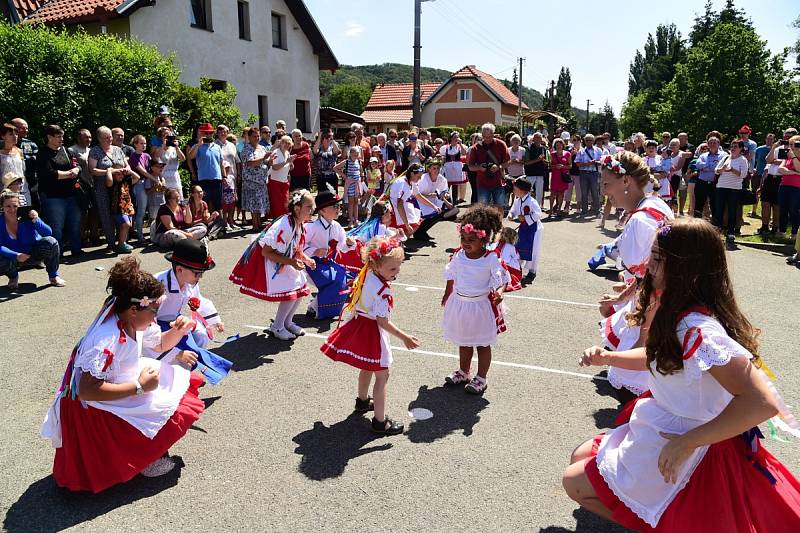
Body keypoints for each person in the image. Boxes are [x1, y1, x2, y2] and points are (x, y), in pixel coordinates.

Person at [564, 217, 800, 532]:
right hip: (666, 422)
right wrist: (610, 357)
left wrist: (686, 443)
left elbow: (762, 402)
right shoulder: (677, 311)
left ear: (687, 268)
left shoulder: (699, 330)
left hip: (694, 442)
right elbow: (660, 357)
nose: (648, 265)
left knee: (575, 483)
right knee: (579, 458)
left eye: (659, 259)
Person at [40, 257, 205, 492]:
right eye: (154, 310)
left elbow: (158, 344)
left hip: (119, 383)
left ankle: (149, 452)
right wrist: (139, 387)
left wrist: (178, 332)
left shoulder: (134, 321)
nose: (156, 317)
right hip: (94, 404)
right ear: (134, 308)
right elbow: (87, 390)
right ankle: (146, 459)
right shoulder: (105, 340)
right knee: (157, 406)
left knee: (169, 392)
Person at [321, 236, 419, 435]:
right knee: (382, 375)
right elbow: (382, 321)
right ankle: (380, 421)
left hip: (360, 324)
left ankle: (363, 401)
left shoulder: (365, 273)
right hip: (373, 331)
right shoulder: (382, 289)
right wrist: (405, 337)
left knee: (367, 367)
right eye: (392, 269)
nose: (396, 272)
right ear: (376, 264)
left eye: (398, 267)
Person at [597, 152, 674, 399]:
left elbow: (654, 277)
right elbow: (646, 273)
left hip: (653, 307)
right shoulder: (654, 204)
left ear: (626, 182)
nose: (604, 191)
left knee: (639, 387)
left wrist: (641, 331)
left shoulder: (641, 220)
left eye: (607, 184)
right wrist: (625, 293)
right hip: (651, 299)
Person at [229, 190, 316, 341]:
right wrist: (292, 262)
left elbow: (295, 249)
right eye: (309, 207)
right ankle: (277, 326)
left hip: (284, 261)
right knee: (291, 289)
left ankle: (287, 322)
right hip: (270, 263)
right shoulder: (284, 225)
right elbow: (266, 252)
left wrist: (306, 259)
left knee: (301, 286)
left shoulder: (298, 223)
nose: (312, 210)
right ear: (297, 208)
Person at [441, 205, 510, 394]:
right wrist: (447, 294)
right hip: (461, 304)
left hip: (480, 307)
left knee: (481, 343)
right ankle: (464, 371)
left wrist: (500, 292)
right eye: (463, 238)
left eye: (471, 239)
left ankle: (481, 378)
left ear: (483, 239)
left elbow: (501, 278)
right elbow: (451, 275)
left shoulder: (490, 259)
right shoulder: (458, 255)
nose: (465, 243)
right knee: (463, 341)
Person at [153, 239, 232, 385]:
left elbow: (198, 300)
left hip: (177, 321)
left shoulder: (190, 282)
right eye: (197, 273)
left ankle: (185, 370)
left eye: (201, 273)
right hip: (155, 326)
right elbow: (145, 328)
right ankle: (169, 375)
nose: (200, 277)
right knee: (179, 352)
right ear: (179, 269)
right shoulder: (157, 285)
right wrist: (176, 353)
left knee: (201, 334)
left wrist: (215, 320)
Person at [303, 186, 355, 319]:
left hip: (327, 264)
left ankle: (315, 307)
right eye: (334, 207)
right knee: (332, 281)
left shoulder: (337, 227)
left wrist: (349, 243)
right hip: (311, 264)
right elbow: (299, 246)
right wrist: (314, 251)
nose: (338, 209)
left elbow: (342, 247)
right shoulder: (312, 227)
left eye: (338, 206)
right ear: (323, 210)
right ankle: (316, 308)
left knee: (345, 278)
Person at [0, 189, 65, 289]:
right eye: (8, 206)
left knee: (51, 242)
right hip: (13, 257)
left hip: (33, 253)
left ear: (20, 206)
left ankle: (53, 276)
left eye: (15, 206)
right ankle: (13, 277)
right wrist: (16, 255)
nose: (12, 209)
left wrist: (36, 220)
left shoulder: (27, 216)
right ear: (2, 207)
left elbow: (48, 232)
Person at [37, 125, 84, 257]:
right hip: (53, 197)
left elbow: (77, 165)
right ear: (49, 137)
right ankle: (56, 254)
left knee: (75, 224)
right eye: (58, 136)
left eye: (62, 136)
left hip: (72, 195)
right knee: (56, 227)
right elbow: (48, 173)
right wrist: (69, 174)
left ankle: (76, 250)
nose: (61, 139)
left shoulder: (65, 150)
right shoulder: (42, 153)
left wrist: (77, 170)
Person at [89, 126, 129, 250]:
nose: (109, 139)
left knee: (122, 213)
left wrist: (126, 170)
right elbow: (92, 170)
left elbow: (127, 165)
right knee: (106, 215)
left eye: (110, 136)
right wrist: (110, 171)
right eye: (106, 137)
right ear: (99, 139)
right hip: (102, 189)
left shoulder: (118, 149)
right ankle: (111, 243)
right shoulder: (95, 151)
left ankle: (122, 241)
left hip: (119, 189)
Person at [508, 177, 543, 282]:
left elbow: (538, 213)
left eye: (515, 189)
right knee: (519, 247)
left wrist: (526, 218)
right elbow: (513, 210)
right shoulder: (518, 201)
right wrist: (511, 215)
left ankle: (532, 272)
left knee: (533, 249)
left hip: (534, 229)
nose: (513, 191)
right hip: (524, 228)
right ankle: (517, 269)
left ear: (522, 190)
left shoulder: (532, 201)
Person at [713, 139, 749, 242]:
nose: (732, 148)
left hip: (734, 189)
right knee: (719, 210)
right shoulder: (725, 157)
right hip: (721, 187)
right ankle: (717, 232)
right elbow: (716, 170)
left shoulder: (743, 160)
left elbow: (743, 175)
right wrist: (722, 169)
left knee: (732, 211)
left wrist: (732, 170)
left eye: (735, 147)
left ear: (741, 149)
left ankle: (731, 232)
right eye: (732, 146)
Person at [468, 123, 510, 207]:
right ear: (482, 135)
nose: (487, 139)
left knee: (499, 208)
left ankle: (499, 220)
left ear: (493, 134)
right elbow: (470, 167)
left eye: (490, 137)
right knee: (483, 209)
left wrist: (498, 167)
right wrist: (479, 167)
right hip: (482, 184)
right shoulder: (476, 147)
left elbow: (508, 162)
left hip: (498, 183)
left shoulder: (501, 144)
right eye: (485, 137)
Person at [70, 129, 99, 245]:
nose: (89, 139)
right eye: (86, 137)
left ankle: (94, 235)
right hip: (80, 185)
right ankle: (80, 237)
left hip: (93, 184)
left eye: (90, 137)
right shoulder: (72, 150)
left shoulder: (91, 151)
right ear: (79, 138)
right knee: (83, 212)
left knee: (95, 211)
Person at [108, 147, 140, 254]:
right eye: (118, 174)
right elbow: (108, 182)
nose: (120, 175)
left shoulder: (126, 181)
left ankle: (123, 242)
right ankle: (121, 244)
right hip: (117, 208)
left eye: (121, 173)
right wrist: (110, 170)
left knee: (126, 225)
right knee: (126, 224)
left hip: (127, 207)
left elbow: (137, 177)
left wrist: (129, 170)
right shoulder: (112, 183)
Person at [241, 126, 271, 231]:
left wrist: (270, 160)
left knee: (259, 202)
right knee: (254, 203)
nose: (257, 138)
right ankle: (255, 225)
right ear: (249, 137)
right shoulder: (246, 149)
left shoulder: (262, 147)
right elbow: (250, 163)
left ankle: (258, 223)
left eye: (258, 136)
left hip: (261, 181)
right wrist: (264, 158)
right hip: (251, 181)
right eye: (254, 136)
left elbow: (266, 161)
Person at [193, 124, 225, 213]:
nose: (208, 135)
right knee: (205, 202)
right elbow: (191, 156)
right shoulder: (198, 146)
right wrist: (198, 145)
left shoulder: (217, 147)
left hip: (216, 178)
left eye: (210, 133)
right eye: (206, 133)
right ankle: (207, 223)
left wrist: (224, 176)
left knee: (218, 203)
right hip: (204, 179)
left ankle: (219, 223)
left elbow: (221, 163)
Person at [129, 135, 152, 245]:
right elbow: (142, 171)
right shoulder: (133, 156)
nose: (144, 145)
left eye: (145, 143)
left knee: (151, 209)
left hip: (148, 184)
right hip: (139, 184)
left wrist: (160, 178)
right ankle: (140, 236)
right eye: (141, 143)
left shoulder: (147, 155)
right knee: (141, 211)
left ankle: (152, 234)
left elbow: (154, 168)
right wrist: (156, 180)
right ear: (135, 144)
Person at [693, 136, 725, 218]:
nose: (712, 144)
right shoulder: (703, 155)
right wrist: (713, 165)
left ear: (719, 144)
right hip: (702, 183)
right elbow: (698, 165)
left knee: (715, 205)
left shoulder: (724, 155)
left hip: (715, 184)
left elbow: (719, 167)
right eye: (710, 142)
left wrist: (706, 167)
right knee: (698, 206)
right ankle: (696, 227)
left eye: (714, 142)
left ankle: (715, 226)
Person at [777, 134, 800, 241]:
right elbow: (781, 169)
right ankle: (782, 231)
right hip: (784, 185)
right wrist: (794, 172)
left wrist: (794, 157)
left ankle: (795, 233)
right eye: (789, 144)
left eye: (792, 144)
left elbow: (799, 168)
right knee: (783, 209)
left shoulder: (794, 156)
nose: (789, 146)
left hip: (796, 187)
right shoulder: (787, 156)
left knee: (794, 210)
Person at [1, 123, 31, 205]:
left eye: (16, 134)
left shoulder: (19, 151)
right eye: (11, 134)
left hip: (23, 190)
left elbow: (23, 170)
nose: (15, 136)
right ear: (3, 136)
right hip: (5, 190)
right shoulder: (0, 154)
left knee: (25, 213)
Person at [11, 118, 38, 207]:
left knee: (32, 208)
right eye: (23, 128)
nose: (26, 130)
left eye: (27, 128)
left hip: (30, 183)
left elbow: (37, 160)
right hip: (9, 183)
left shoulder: (31, 144)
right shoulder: (3, 145)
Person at [334, 147, 362, 228]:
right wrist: (344, 176)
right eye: (354, 155)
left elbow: (360, 171)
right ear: (350, 154)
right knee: (351, 202)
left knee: (356, 202)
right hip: (350, 184)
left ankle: (356, 220)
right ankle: (350, 221)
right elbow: (335, 168)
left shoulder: (358, 161)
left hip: (357, 184)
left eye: (357, 155)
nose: (356, 156)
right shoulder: (346, 161)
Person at [268, 135, 295, 219]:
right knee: (278, 204)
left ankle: (284, 221)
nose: (287, 145)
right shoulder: (276, 152)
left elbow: (289, 167)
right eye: (285, 143)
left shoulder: (287, 153)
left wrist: (291, 164)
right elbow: (275, 167)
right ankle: (278, 222)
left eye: (289, 143)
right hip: (275, 182)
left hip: (284, 182)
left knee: (285, 203)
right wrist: (286, 162)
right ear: (281, 143)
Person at [487, 226, 522, 292]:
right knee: (515, 262)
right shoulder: (511, 247)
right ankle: (509, 280)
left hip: (495, 264)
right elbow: (517, 257)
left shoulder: (496, 243)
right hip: (506, 266)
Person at [754, 133, 775, 231]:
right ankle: (754, 210)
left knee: (770, 201)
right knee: (757, 193)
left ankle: (771, 221)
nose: (769, 141)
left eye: (771, 139)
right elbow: (755, 161)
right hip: (759, 173)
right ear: (765, 139)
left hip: (769, 176)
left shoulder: (776, 149)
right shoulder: (759, 149)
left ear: (774, 140)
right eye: (768, 139)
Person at [440, 131, 468, 204]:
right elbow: (443, 158)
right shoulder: (445, 147)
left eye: (457, 137)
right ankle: (446, 202)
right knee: (446, 186)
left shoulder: (460, 147)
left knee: (455, 186)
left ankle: (454, 202)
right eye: (455, 137)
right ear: (451, 138)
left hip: (457, 169)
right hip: (448, 168)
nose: (456, 138)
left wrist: (461, 144)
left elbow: (464, 153)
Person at [312, 129, 341, 194]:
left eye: (329, 137)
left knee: (333, 194)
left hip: (332, 176)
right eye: (326, 137)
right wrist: (319, 137)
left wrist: (332, 139)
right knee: (322, 195)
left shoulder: (333, 146)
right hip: (321, 176)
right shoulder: (319, 147)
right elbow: (314, 151)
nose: (328, 139)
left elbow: (337, 152)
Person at [523, 132, 548, 207]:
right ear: (533, 139)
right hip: (530, 174)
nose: (537, 139)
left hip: (540, 174)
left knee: (539, 193)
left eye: (539, 137)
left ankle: (537, 208)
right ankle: (526, 208)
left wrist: (543, 161)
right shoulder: (528, 148)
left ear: (541, 139)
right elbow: (526, 163)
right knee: (527, 192)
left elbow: (546, 163)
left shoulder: (544, 148)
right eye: (536, 137)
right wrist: (538, 160)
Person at [549, 138, 571, 217]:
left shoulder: (567, 154)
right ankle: (551, 210)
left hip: (563, 176)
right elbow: (550, 165)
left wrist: (563, 166)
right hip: (555, 176)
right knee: (553, 193)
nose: (559, 146)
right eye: (557, 145)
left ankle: (559, 210)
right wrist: (555, 166)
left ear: (563, 145)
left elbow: (570, 166)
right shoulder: (552, 154)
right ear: (555, 146)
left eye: (560, 145)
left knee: (561, 193)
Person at [146, 157, 167, 226]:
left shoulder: (161, 178)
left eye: (162, 166)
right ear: (152, 168)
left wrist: (164, 187)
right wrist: (154, 188)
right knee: (154, 221)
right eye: (158, 166)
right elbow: (147, 191)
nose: (161, 168)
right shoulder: (149, 178)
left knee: (162, 220)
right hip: (153, 204)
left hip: (162, 202)